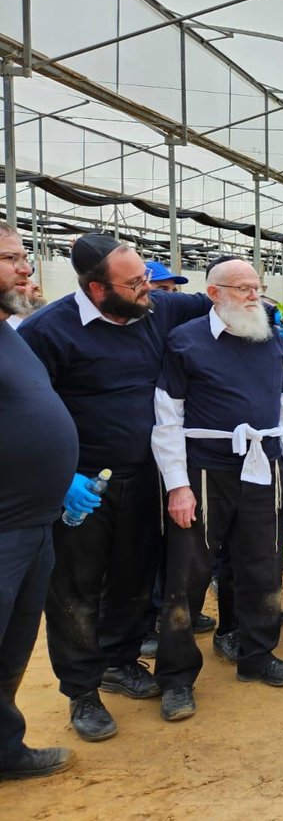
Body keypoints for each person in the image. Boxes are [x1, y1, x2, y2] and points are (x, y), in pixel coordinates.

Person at [18, 234, 212, 742]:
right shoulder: (47, 332)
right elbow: (21, 412)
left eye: (147, 278)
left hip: (144, 476)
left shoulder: (153, 310)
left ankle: (119, 661)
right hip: (82, 487)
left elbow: (212, 297)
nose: (148, 287)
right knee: (75, 591)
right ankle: (81, 691)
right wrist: (62, 480)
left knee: (132, 577)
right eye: (135, 282)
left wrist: (245, 299)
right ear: (98, 289)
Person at [151, 258, 283, 722]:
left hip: (265, 467)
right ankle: (176, 678)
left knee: (264, 566)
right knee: (189, 573)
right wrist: (178, 486)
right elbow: (167, 418)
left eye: (256, 287)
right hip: (205, 471)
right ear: (214, 293)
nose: (252, 295)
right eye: (241, 288)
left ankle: (256, 656)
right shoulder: (186, 341)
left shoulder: (271, 338)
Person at [0, 224, 77, 780]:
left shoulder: (11, 333)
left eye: (25, 257)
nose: (27, 268)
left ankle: (6, 750)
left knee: (13, 648)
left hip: (35, 523)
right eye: (10, 259)